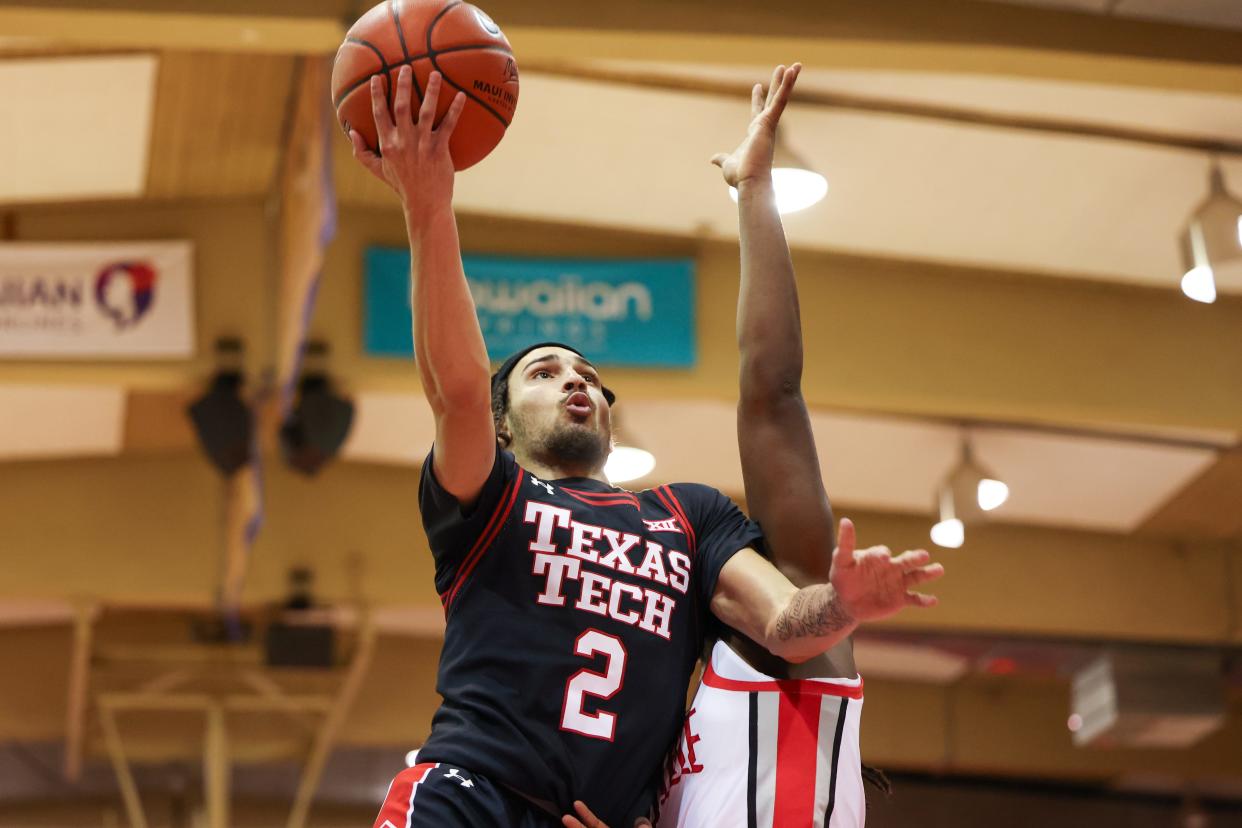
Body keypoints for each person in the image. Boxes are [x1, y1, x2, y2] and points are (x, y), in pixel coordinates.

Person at [352, 65, 943, 828]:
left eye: (590, 377)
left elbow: (790, 625)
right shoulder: (491, 497)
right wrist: (430, 208)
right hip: (471, 795)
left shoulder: (687, 515)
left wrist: (846, 605)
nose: (576, 382)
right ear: (503, 425)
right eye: (544, 371)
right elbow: (457, 388)